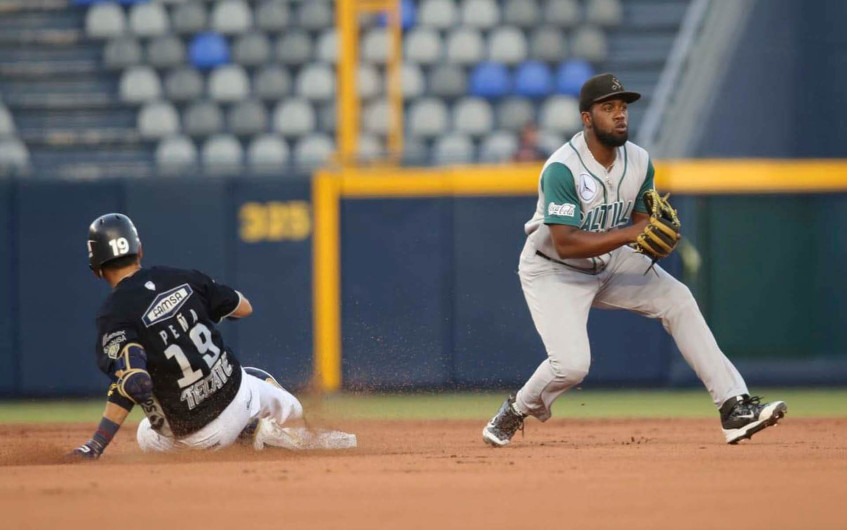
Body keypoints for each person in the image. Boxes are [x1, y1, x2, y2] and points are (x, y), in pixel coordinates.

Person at [482, 74, 787, 447]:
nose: (620, 115)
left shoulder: (639, 161)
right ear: (587, 118)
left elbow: (645, 220)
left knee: (677, 299)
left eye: (623, 107)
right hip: (553, 269)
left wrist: (647, 234)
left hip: (609, 261)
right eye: (608, 108)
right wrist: (630, 235)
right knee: (571, 366)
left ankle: (733, 408)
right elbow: (565, 243)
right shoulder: (563, 168)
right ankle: (516, 410)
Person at [69, 213, 353, 459]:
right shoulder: (182, 277)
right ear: (139, 249)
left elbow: (132, 381)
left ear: (97, 270)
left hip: (194, 439)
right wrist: (198, 310)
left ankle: (248, 438)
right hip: (239, 397)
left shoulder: (112, 315)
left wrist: (96, 445)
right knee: (265, 385)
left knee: (146, 432)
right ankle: (277, 433)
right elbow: (244, 308)